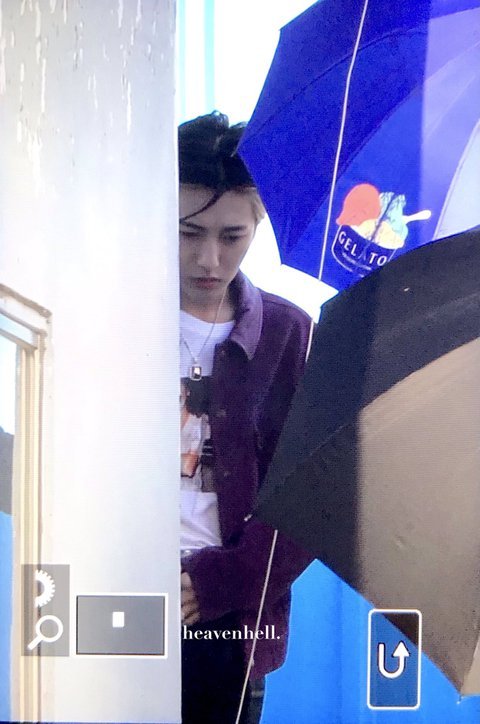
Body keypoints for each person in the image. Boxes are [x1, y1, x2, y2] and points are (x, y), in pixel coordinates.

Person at [178, 111, 313, 724]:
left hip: (228, 618)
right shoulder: (113, 313)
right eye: (188, 232)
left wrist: (225, 580)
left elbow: (310, 497)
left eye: (231, 236)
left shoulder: (287, 332)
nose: (209, 259)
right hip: (116, 581)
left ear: (259, 220)